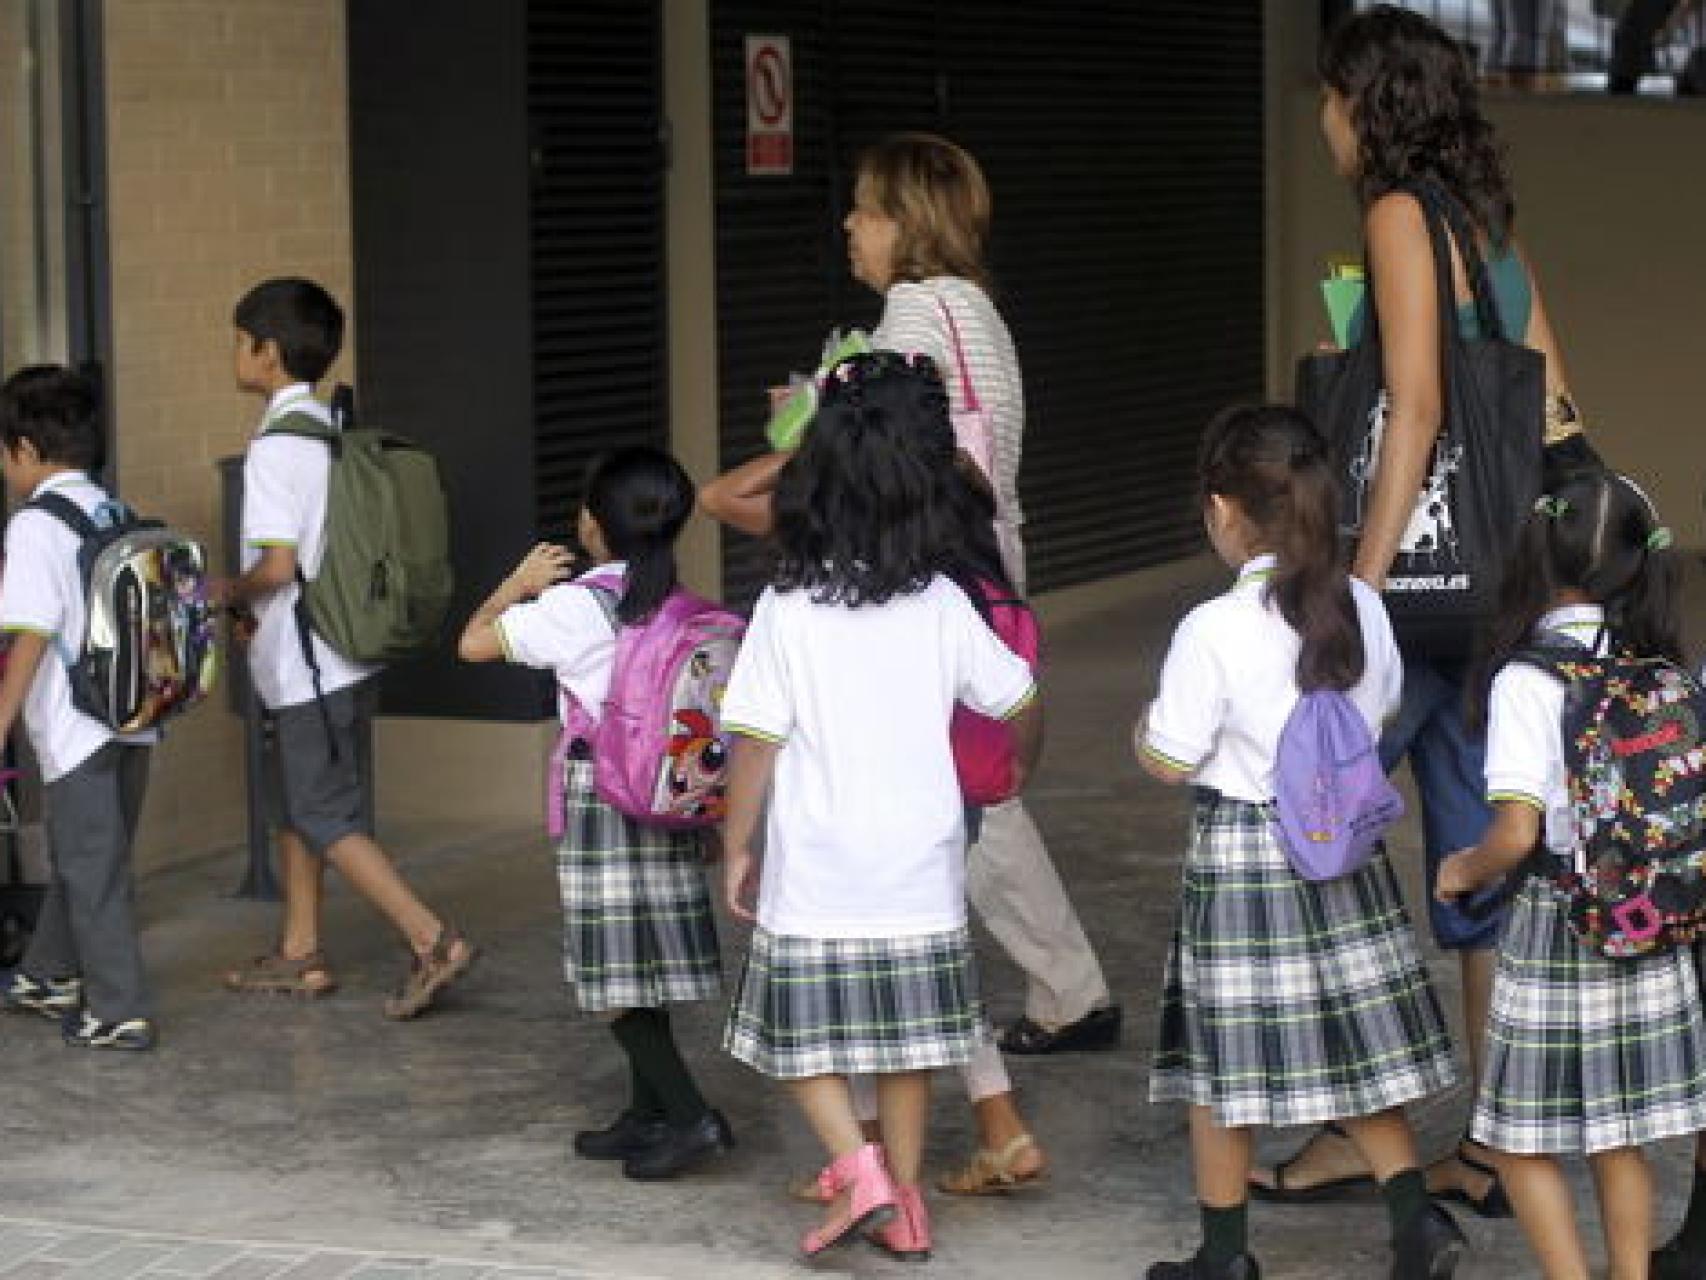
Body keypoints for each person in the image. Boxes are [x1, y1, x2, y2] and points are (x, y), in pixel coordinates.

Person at [1253, 4, 1593, 1214]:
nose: (1326, 123)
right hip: (1494, 602)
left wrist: (1359, 581)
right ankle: (1496, 1149)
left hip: (1412, 603)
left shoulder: (1398, 214)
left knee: (1309, 829)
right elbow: (1549, 404)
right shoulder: (1484, 224)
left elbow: (1412, 408)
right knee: (1475, 866)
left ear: (1370, 105)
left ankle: (1364, 1123)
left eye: (1334, 101)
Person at [718, 351, 1044, 1260]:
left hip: (819, 860)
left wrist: (738, 843)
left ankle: (855, 1169)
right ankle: (903, 1201)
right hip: (921, 861)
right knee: (909, 1048)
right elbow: (1017, 697)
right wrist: (1019, 767)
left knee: (798, 1037)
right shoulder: (943, 602)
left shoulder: (789, 606)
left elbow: (756, 738)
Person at [1138, 404, 1464, 1280]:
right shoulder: (1362, 602)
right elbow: (1384, 708)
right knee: (1356, 1055)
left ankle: (1223, 1257)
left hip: (1246, 858)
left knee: (1223, 1071)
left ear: (1223, 510)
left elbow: (1170, 759)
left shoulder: (1212, 628)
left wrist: (1143, 731)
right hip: (1341, 851)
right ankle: (1417, 1225)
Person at [1435, 469, 1706, 1280]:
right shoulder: (1663, 669)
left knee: (1517, 1141)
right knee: (1618, 1132)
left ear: (1535, 556)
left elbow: (1517, 833)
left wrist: (1460, 870)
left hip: (1561, 919)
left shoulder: (1527, 679)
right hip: (1652, 920)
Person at [457, 446, 733, 1181]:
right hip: (664, 797)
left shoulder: (576, 605)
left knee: (612, 977)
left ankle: (689, 1116)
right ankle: (647, 1115)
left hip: (603, 797)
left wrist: (515, 583)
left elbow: (472, 643)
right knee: (642, 966)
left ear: (598, 524)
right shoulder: (677, 602)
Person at [214, 277, 474, 1017]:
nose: (235, 355)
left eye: (241, 342)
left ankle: (432, 939)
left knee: (323, 813)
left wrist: (221, 593)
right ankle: (301, 952)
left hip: (306, 665)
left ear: (267, 354)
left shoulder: (273, 450)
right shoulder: (330, 428)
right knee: (304, 806)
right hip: (346, 654)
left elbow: (277, 568)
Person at [0, 365, 158, 1050]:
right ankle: (49, 973)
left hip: (77, 729)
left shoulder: (35, 526)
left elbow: (31, 634)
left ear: (26, 450)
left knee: (92, 867)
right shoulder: (110, 509)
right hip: (137, 720)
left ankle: (119, 1010)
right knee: (88, 857)